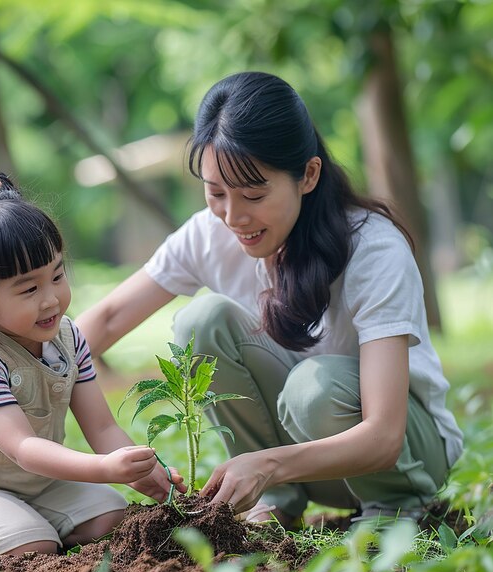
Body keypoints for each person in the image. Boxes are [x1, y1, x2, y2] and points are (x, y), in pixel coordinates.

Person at [76, 71, 463, 527]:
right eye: (216, 193)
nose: (234, 217)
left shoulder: (373, 249)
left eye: (254, 194)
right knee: (203, 319)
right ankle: (276, 502)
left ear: (308, 175)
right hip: (306, 467)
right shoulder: (210, 233)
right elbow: (105, 320)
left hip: (401, 459)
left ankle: (395, 510)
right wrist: (4, 380)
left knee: (313, 387)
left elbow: (383, 438)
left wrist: (268, 462)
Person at [0, 173, 183, 555]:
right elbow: (23, 447)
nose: (51, 299)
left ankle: (23, 518)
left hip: (38, 483)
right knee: (34, 546)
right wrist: (104, 470)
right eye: (29, 289)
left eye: (57, 275)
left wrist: (144, 471)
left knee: (112, 518)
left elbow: (101, 427)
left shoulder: (68, 338)